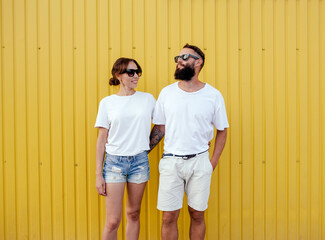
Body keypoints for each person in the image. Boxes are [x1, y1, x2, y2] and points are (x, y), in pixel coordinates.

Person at [149, 44, 229, 240]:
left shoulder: (213, 95)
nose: (179, 60)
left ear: (198, 61)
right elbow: (159, 129)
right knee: (169, 216)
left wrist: (212, 163)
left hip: (200, 161)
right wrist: (142, 152)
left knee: (197, 214)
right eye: (177, 57)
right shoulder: (167, 93)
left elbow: (222, 130)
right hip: (171, 161)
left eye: (184, 56)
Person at [95, 57, 155, 240]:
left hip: (139, 162)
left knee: (133, 214)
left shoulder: (148, 99)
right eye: (131, 72)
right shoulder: (107, 103)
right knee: (112, 220)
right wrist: (98, 174)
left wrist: (144, 148)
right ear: (118, 75)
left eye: (138, 72)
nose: (135, 75)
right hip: (114, 163)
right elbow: (102, 139)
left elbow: (165, 124)